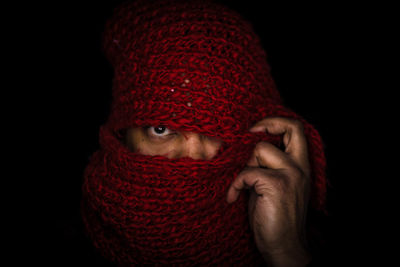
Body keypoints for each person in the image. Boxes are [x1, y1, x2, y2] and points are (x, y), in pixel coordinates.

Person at [81, 0, 327, 266]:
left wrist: (285, 251)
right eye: (161, 129)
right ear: (122, 134)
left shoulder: (301, 242)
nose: (194, 157)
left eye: (217, 127)